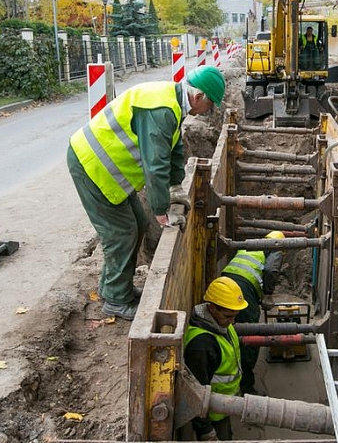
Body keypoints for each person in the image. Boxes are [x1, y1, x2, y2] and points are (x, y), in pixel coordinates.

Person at [67, 66, 226, 321]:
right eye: (210, 105)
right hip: (92, 166)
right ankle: (116, 302)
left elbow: (172, 148)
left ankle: (115, 290)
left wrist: (175, 186)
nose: (209, 112)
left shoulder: (173, 103)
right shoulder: (162, 111)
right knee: (121, 233)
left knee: (138, 224)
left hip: (109, 171)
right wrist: (161, 210)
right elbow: (155, 166)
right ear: (198, 97)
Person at [184, 276, 247, 441]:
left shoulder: (221, 325)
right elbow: (195, 392)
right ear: (212, 308)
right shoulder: (201, 345)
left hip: (224, 406)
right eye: (228, 316)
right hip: (213, 415)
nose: (232, 322)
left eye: (235, 316)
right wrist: (206, 432)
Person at [221, 230, 284, 395]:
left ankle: (231, 370)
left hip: (225, 280)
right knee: (251, 335)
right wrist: (268, 294)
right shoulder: (276, 248)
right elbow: (271, 270)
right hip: (244, 287)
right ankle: (246, 387)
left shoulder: (254, 245)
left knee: (229, 328)